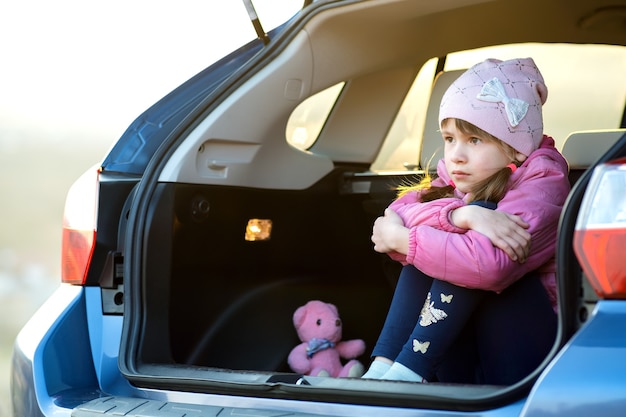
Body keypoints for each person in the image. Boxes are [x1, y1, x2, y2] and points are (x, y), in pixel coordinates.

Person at [362, 58, 570, 384]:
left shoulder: (543, 184)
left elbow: (490, 266)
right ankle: (383, 370)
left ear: (515, 149)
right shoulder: (458, 178)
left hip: (527, 353)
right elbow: (397, 213)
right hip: (463, 343)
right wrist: (461, 214)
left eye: (474, 140)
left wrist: (406, 239)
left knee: (459, 250)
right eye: (449, 139)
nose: (456, 154)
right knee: (437, 238)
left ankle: (406, 374)